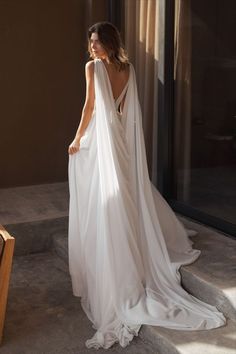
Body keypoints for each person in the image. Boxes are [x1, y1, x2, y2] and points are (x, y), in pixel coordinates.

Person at [68, 22, 226, 350]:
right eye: (91, 42)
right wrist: (121, 142)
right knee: (119, 196)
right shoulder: (128, 69)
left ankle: (112, 251)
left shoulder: (93, 68)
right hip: (119, 140)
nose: (93, 47)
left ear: (109, 42)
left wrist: (78, 137)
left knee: (104, 196)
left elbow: (90, 107)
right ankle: (123, 242)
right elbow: (127, 111)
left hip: (102, 138)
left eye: (98, 41)